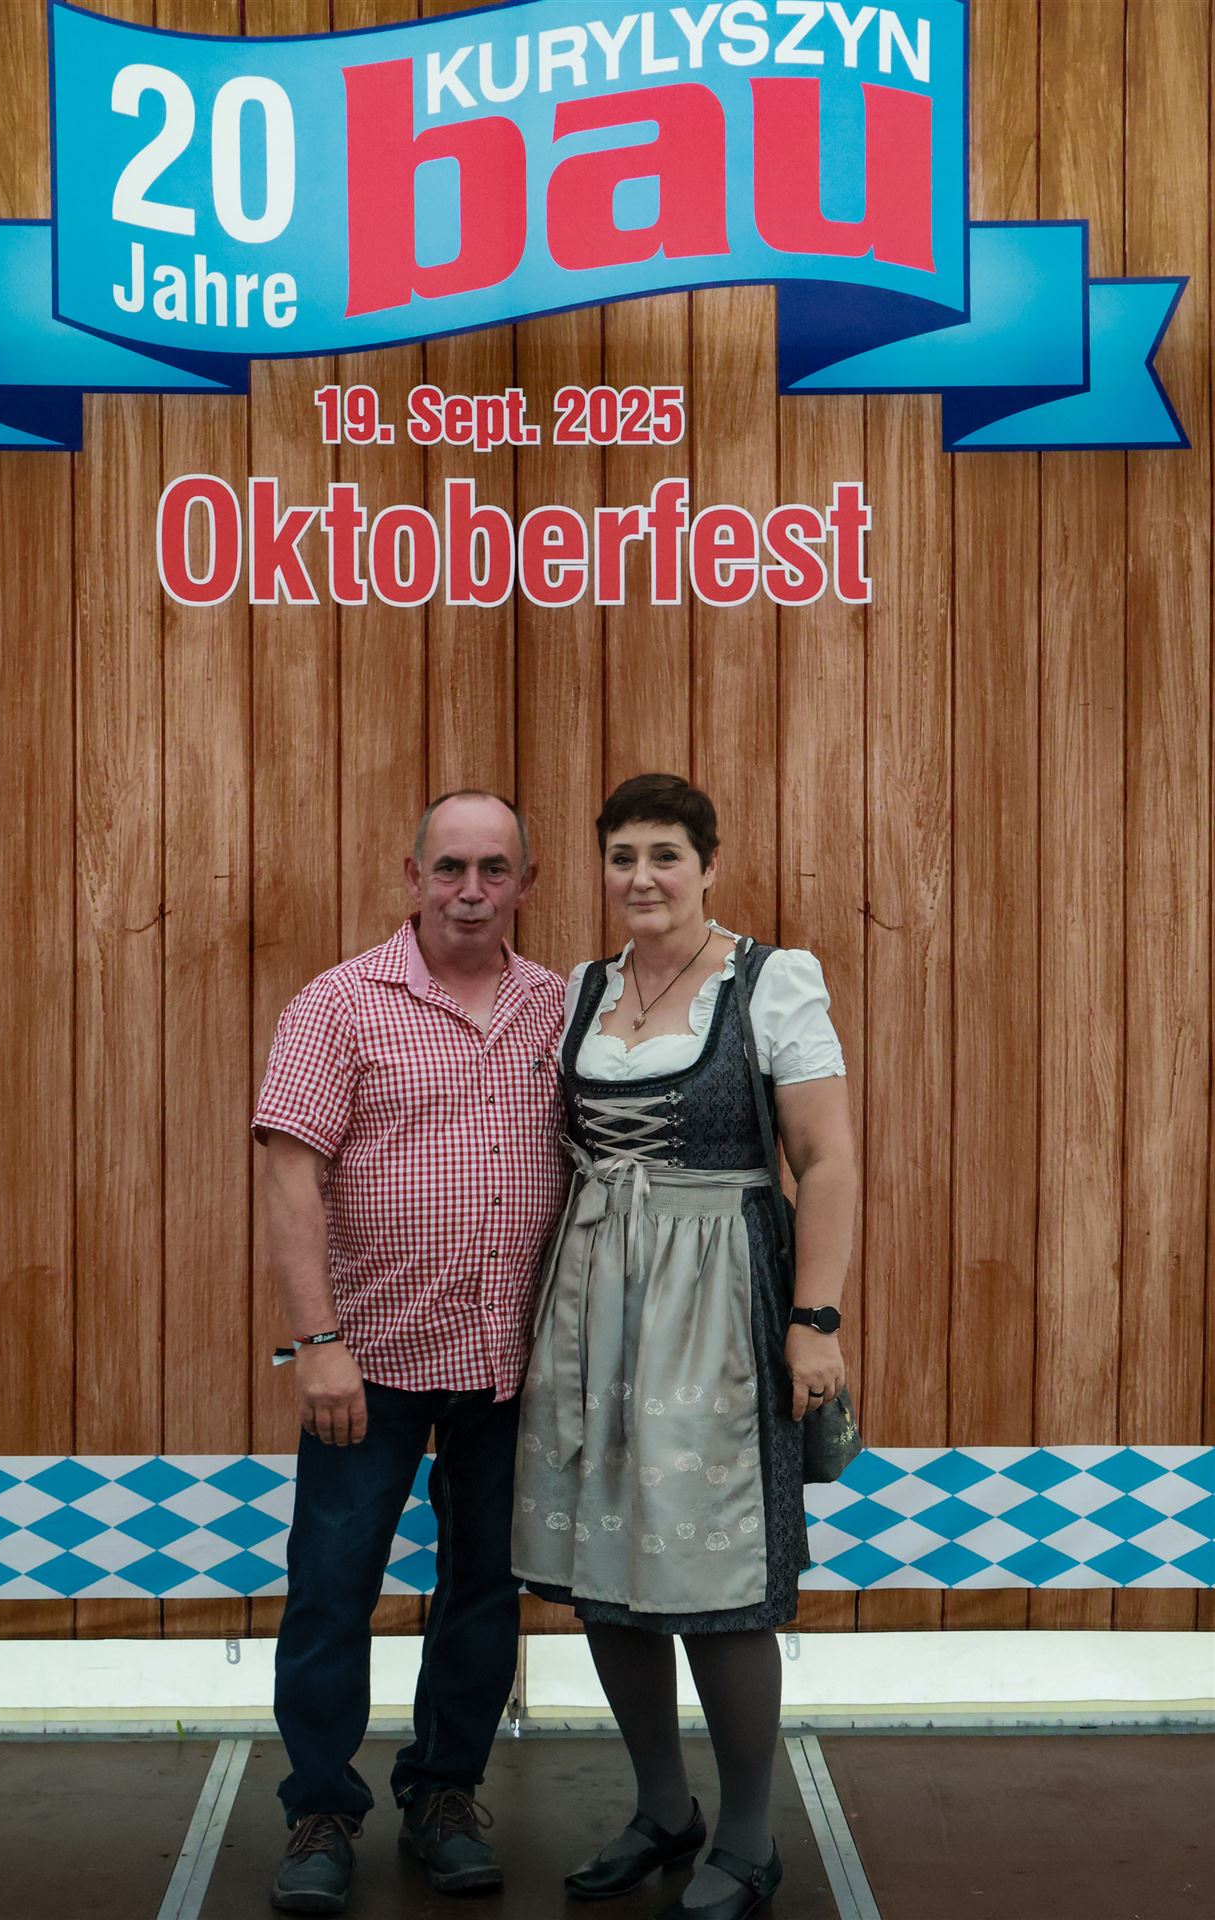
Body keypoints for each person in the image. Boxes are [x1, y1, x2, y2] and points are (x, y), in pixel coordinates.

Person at [512, 773, 858, 1920]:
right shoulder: (583, 989)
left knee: (720, 1574)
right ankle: (663, 1808)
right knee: (605, 1564)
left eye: (665, 853)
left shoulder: (770, 981)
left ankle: (749, 1838)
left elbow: (827, 1161)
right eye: (622, 856)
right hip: (591, 1296)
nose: (642, 876)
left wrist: (814, 1320)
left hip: (720, 1296)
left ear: (709, 864)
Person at [254, 791, 568, 1915]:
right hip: (368, 1361)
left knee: (482, 1590)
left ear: (525, 882)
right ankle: (320, 1812)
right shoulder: (339, 1003)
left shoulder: (561, 1008)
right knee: (331, 1589)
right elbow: (290, 1173)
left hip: (510, 1363)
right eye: (449, 868)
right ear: (412, 874)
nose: (470, 891)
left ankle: (443, 1796)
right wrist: (317, 1342)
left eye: (493, 870)